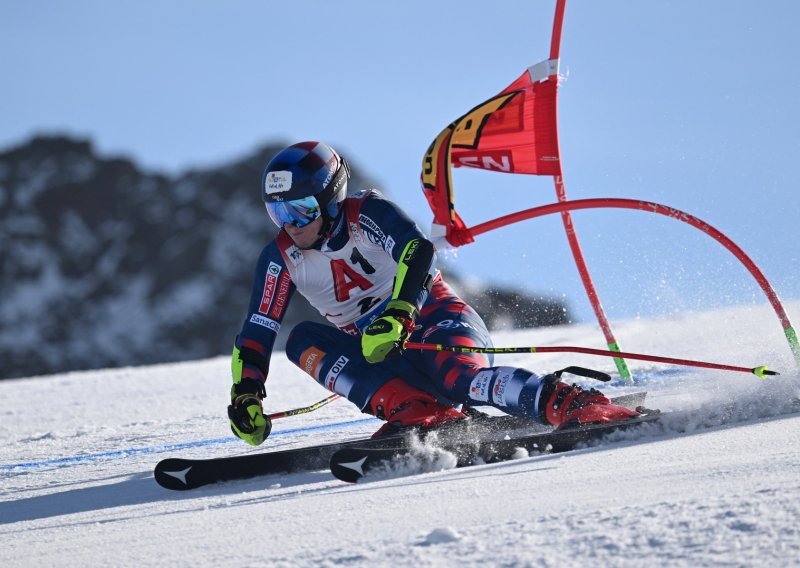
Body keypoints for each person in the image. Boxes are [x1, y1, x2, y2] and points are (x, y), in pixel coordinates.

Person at [227, 141, 639, 445]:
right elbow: (257, 330)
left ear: (330, 199)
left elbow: (417, 249)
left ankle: (571, 403)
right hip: (381, 353)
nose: (291, 223)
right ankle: (419, 412)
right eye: (277, 212)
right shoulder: (281, 257)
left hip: (435, 321)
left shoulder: (366, 213)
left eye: (301, 209)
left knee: (460, 378)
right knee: (301, 341)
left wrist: (400, 314)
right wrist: (246, 392)